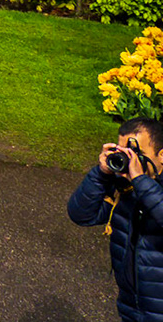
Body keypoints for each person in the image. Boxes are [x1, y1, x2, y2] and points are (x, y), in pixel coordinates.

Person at [69, 117, 163, 320]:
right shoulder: (125, 188)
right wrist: (101, 174)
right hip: (132, 305)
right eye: (124, 153)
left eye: (137, 154)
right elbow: (81, 214)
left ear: (162, 155)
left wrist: (141, 181)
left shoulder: (139, 184)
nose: (131, 161)